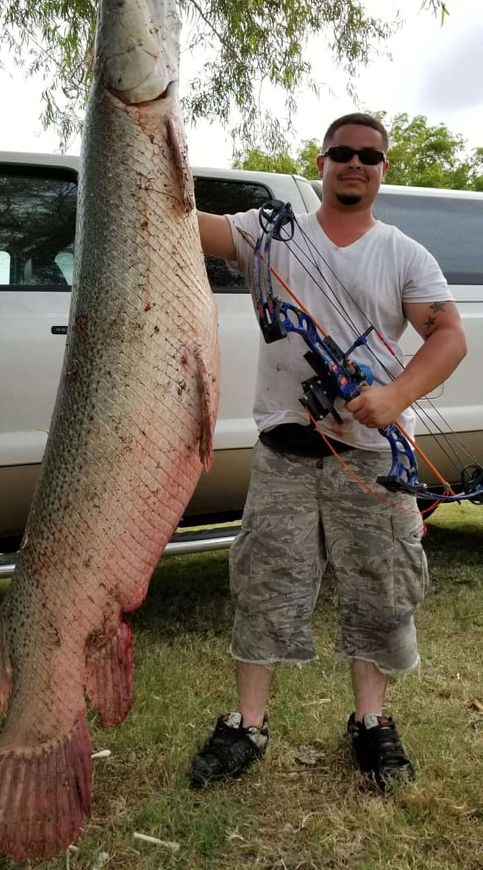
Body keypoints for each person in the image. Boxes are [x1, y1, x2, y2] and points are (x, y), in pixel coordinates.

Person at [190, 112, 467, 791]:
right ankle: (247, 725)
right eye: (341, 152)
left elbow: (449, 335)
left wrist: (396, 395)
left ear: (383, 169)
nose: (355, 164)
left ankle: (371, 725)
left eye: (368, 156)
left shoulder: (404, 252)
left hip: (371, 455)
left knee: (378, 592)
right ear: (320, 162)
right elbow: (182, 220)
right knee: (263, 588)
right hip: (284, 453)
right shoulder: (264, 233)